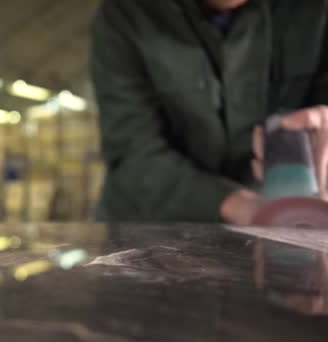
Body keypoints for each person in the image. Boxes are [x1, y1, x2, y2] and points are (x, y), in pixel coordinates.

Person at [91, 0, 328, 224]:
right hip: (151, 217)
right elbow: (133, 151)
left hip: (279, 212)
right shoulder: (125, 14)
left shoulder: (317, 10)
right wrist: (243, 206)